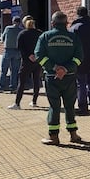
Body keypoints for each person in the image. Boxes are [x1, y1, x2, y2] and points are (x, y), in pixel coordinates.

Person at [34, 11, 83, 145]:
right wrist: (66, 69)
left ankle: (53, 137)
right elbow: (79, 57)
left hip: (51, 78)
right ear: (66, 23)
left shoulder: (44, 36)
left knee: (54, 107)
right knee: (70, 106)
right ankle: (73, 134)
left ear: (52, 23)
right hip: (70, 78)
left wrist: (55, 68)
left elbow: (39, 55)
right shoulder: (73, 37)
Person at [70, 6, 90, 115]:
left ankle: (83, 107)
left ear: (78, 14)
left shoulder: (75, 28)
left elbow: (72, 45)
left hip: (80, 60)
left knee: (81, 83)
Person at [8, 15, 43, 109]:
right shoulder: (40, 33)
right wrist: (36, 56)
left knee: (22, 82)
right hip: (37, 61)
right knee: (36, 81)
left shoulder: (22, 34)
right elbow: (43, 46)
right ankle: (34, 102)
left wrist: (28, 55)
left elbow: (20, 47)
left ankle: (17, 103)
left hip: (26, 61)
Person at [0, 16, 23, 93]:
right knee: (14, 71)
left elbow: (2, 38)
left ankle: (1, 87)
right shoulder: (21, 30)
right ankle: (13, 87)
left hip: (8, 50)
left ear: (13, 21)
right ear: (20, 22)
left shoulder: (8, 28)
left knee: (4, 70)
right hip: (17, 51)